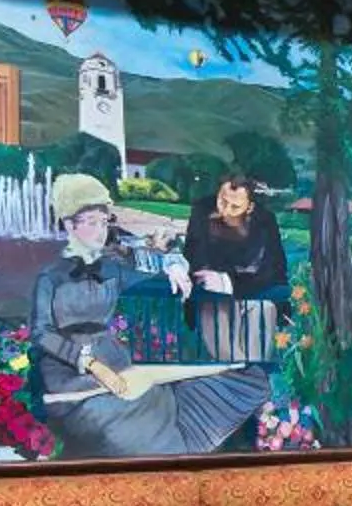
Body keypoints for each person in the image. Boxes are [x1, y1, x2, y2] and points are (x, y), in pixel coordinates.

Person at [28, 173, 269, 458]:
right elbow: (41, 333)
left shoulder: (112, 269)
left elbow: (156, 261)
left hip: (120, 369)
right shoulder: (51, 277)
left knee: (223, 383)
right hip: (70, 380)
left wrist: (173, 264)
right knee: (135, 424)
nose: (100, 231)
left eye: (104, 222)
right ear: (69, 224)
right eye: (92, 222)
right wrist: (89, 362)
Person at [175, 172, 289, 361]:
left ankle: (249, 378)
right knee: (227, 353)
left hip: (256, 295)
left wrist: (227, 282)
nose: (225, 211)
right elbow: (195, 257)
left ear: (250, 207)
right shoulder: (203, 211)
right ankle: (242, 379)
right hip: (212, 297)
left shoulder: (265, 221)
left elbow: (271, 270)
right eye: (222, 201)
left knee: (262, 321)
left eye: (235, 207)